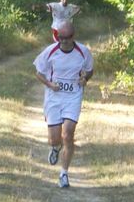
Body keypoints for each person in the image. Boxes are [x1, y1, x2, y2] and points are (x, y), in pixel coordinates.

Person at [33, 20, 93, 189]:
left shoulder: (83, 52)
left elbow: (89, 70)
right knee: (54, 139)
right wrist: (50, 85)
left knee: (68, 134)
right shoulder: (50, 51)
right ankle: (55, 147)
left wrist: (85, 78)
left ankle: (64, 174)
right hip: (54, 98)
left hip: (73, 97)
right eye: (60, 37)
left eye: (67, 37)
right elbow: (38, 73)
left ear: (73, 36)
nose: (64, 41)